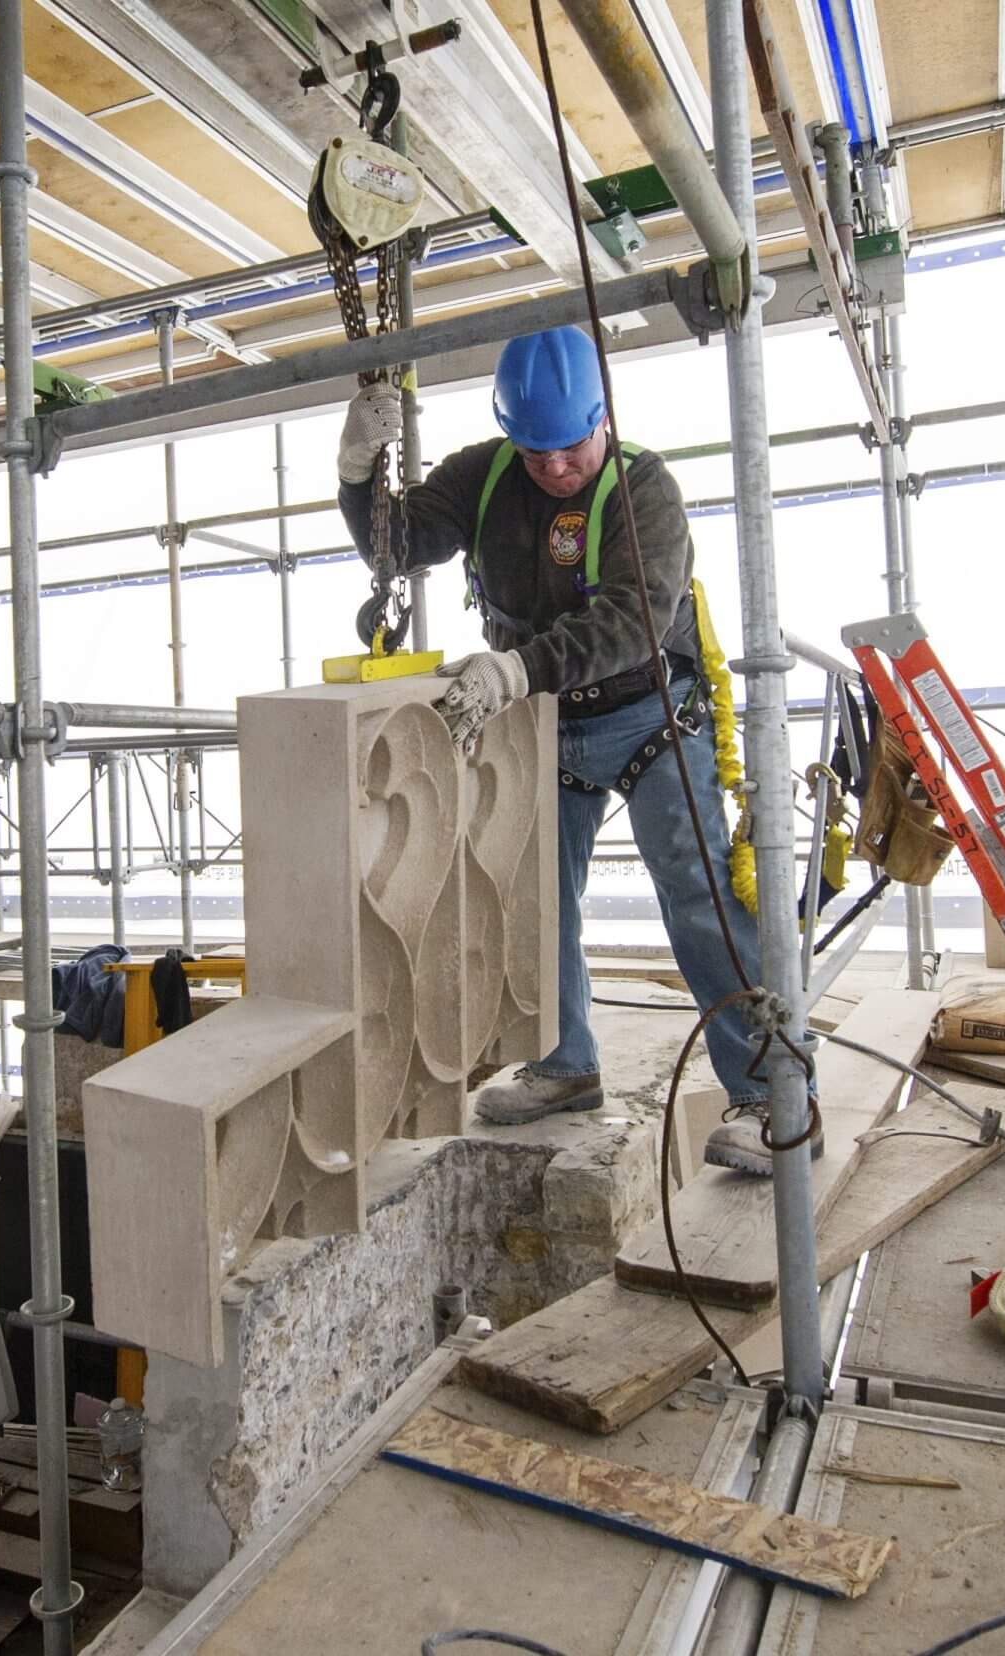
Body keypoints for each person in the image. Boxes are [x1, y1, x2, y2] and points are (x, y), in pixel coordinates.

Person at [335, 325, 811, 1174]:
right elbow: (396, 547)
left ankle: (771, 1094)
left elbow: (634, 621)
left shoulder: (644, 490)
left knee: (698, 896)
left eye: (569, 446)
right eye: (535, 449)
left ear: (603, 417)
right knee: (534, 895)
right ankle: (565, 1063)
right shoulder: (485, 478)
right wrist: (357, 471)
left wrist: (515, 670)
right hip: (544, 720)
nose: (554, 466)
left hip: (650, 715)